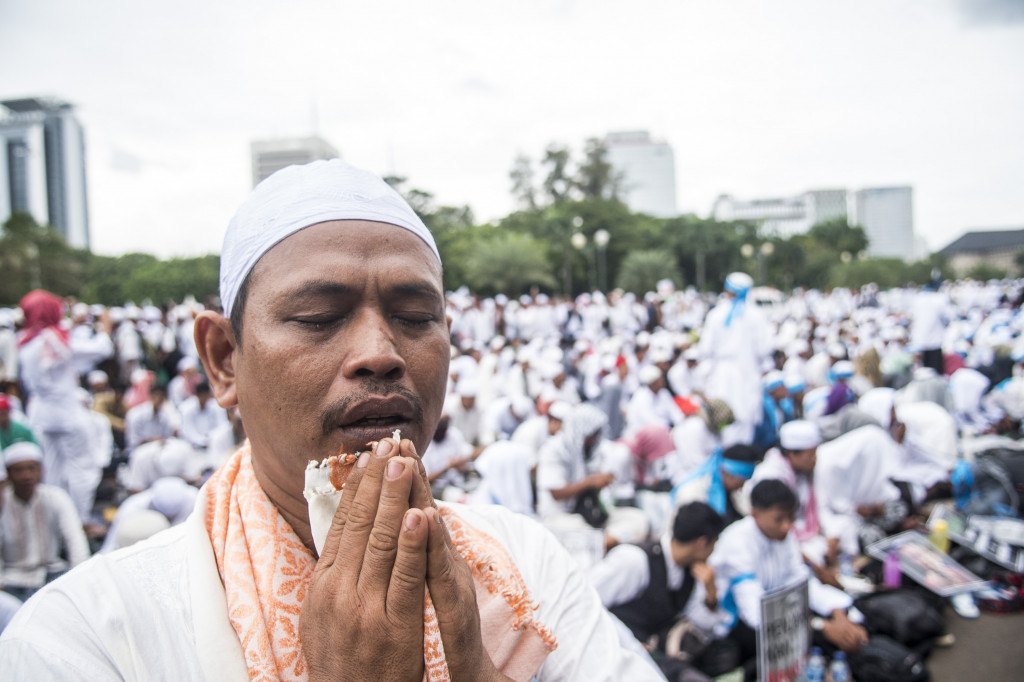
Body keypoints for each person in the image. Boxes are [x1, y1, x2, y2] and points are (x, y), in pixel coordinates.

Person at [0, 159, 657, 680]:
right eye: (318, 318)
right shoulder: (87, 636)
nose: (381, 354)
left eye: (415, 317)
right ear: (225, 359)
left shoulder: (523, 569)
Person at [709, 480, 867, 677]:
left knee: (855, 620)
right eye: (779, 519)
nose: (787, 526)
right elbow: (755, 615)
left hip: (783, 614)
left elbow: (801, 581)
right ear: (755, 514)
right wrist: (820, 627)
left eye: (791, 518)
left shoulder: (784, 536)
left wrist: (838, 613)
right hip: (740, 625)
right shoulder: (737, 542)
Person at [591, 502, 734, 680]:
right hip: (620, 652)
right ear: (702, 543)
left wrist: (711, 595)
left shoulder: (691, 571)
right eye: (714, 544)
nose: (713, 552)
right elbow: (588, 602)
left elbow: (704, 626)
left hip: (660, 652)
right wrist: (627, 642)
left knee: (725, 653)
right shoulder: (635, 560)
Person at [0, 442, 90, 603]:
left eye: (31, 468)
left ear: (41, 470)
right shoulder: (2, 502)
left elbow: (75, 540)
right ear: (8, 474)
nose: (26, 475)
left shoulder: (56, 497)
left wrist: (81, 578)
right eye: (18, 470)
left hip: (53, 576)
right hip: (12, 581)